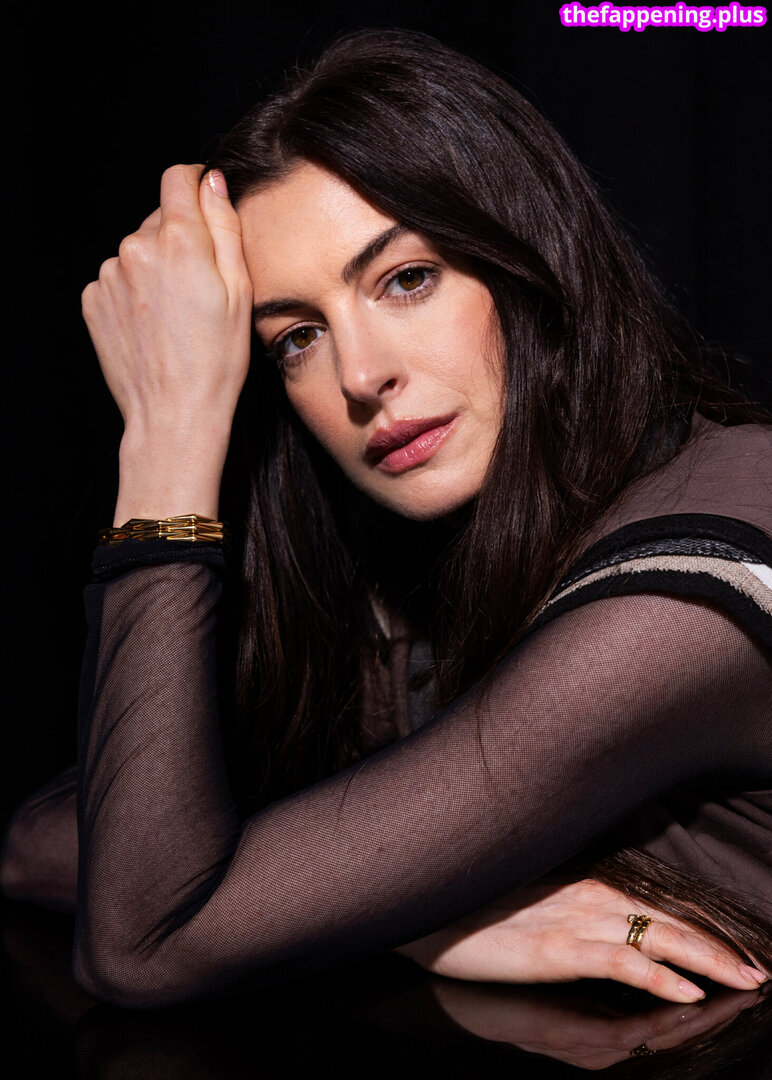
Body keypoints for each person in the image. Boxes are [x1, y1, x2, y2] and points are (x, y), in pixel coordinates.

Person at [1, 29, 770, 1012]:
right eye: (296, 338)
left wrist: (168, 433)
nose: (360, 376)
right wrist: (420, 917)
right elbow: (41, 842)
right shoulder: (423, 566)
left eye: (406, 280)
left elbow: (142, 936)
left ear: (528, 258)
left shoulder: (684, 605)